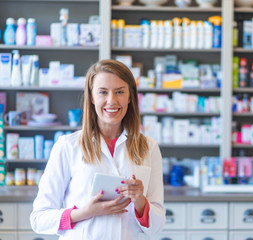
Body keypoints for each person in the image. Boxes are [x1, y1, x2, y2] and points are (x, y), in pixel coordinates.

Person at [30, 59, 166, 239]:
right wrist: (85, 212)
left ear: (130, 97)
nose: (112, 100)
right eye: (103, 92)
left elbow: (157, 227)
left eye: (119, 92)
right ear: (92, 97)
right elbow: (39, 218)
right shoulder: (67, 146)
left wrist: (140, 200)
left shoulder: (149, 147)